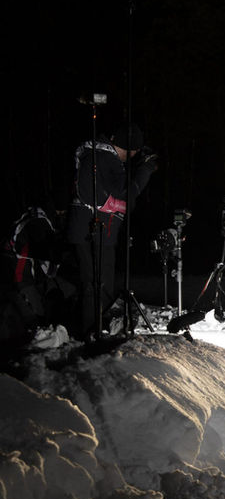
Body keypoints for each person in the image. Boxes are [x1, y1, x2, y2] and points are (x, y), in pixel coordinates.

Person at [64, 123, 158, 339]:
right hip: (96, 231)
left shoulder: (95, 154)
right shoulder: (106, 158)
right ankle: (94, 332)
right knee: (99, 283)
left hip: (88, 228)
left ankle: (94, 329)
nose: (131, 156)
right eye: (132, 152)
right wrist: (144, 171)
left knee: (94, 282)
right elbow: (126, 193)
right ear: (129, 147)